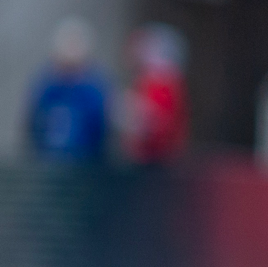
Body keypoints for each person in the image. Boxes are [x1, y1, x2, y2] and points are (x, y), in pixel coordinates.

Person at [27, 17, 109, 163]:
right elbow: (33, 124)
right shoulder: (46, 88)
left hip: (86, 165)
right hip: (49, 163)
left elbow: (102, 129)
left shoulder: (95, 90)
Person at [120, 24, 189, 164]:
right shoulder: (145, 81)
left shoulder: (164, 83)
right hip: (144, 158)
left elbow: (158, 125)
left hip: (158, 161)